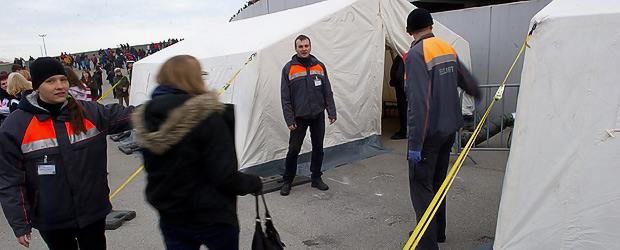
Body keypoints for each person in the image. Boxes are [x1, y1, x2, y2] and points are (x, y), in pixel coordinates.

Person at [0, 57, 135, 249]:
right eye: (50, 81)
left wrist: (172, 105)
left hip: (92, 212)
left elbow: (133, 115)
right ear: (36, 86)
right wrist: (20, 223)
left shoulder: (89, 112)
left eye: (63, 80)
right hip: (52, 220)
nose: (60, 86)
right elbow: (10, 179)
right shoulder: (15, 126)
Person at [133, 55, 262, 250]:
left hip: (172, 215)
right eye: (201, 75)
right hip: (211, 215)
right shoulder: (208, 114)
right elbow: (224, 175)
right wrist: (253, 183)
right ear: (191, 79)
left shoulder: (147, 115)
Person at [404, 9, 481, 250]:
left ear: (409, 31)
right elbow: (465, 78)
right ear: (431, 25)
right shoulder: (446, 47)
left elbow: (419, 102)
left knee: (422, 189)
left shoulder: (415, 54)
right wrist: (476, 93)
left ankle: (427, 245)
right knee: (438, 184)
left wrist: (415, 144)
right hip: (449, 130)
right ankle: (438, 232)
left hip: (428, 134)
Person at [280, 35, 337, 196]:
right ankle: (287, 181)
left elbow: (327, 91)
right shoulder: (288, 69)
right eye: (300, 46)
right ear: (295, 49)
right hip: (299, 117)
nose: (304, 49)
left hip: (317, 114)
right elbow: (285, 98)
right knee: (293, 150)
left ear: (310, 47)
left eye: (306, 46)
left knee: (318, 147)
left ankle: (316, 178)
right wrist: (289, 119)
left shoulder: (319, 66)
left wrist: (331, 112)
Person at [389, 54, 407, 140]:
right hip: (402, 87)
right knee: (404, 109)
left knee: (404, 109)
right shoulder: (401, 57)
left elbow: (398, 74)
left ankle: (404, 131)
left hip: (402, 88)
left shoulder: (402, 57)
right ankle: (405, 130)